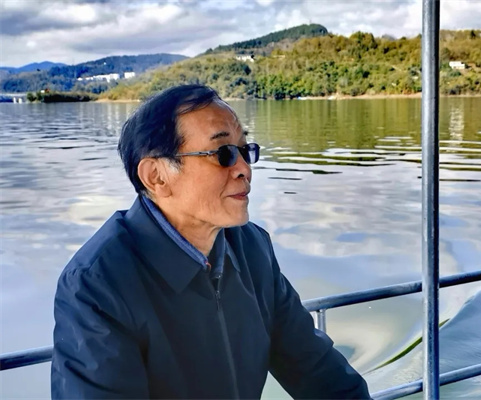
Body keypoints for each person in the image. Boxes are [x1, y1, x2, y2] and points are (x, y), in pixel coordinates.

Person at [51, 84, 371, 399]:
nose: (244, 169)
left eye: (244, 151)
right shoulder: (97, 284)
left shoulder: (251, 247)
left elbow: (316, 369)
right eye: (223, 154)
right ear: (157, 176)